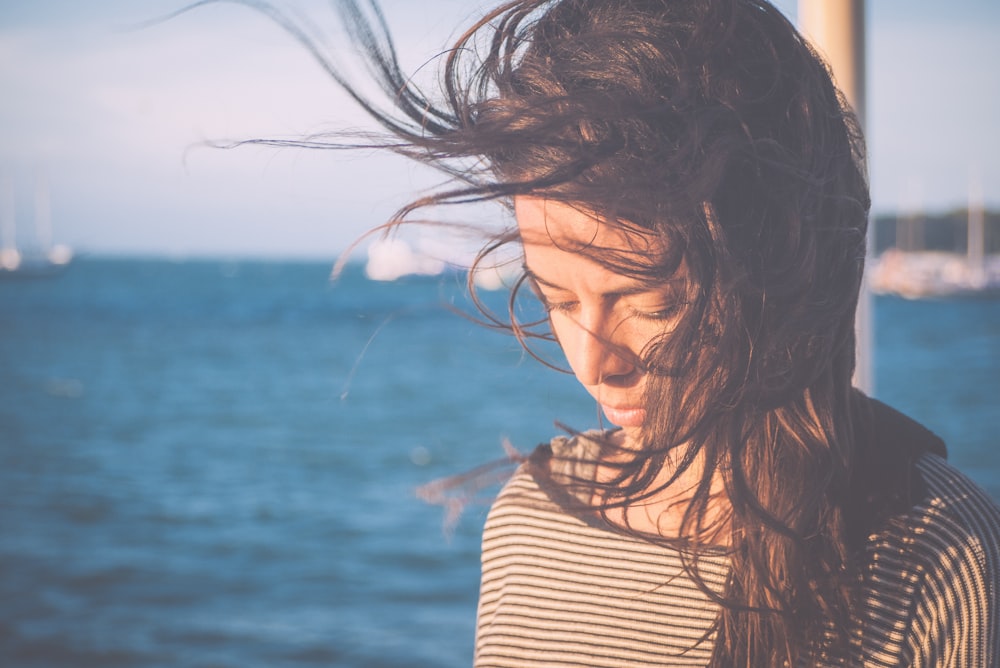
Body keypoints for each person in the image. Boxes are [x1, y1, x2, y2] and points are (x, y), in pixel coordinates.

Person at [266, 0, 1000, 664]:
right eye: (558, 299)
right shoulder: (533, 520)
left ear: (777, 261)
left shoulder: (935, 553)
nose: (595, 363)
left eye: (649, 302)